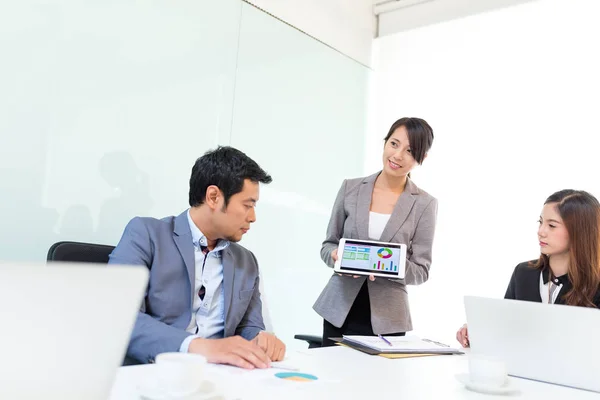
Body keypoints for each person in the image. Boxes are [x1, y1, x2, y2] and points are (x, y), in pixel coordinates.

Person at [109, 146, 286, 368]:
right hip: (153, 373)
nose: (253, 217)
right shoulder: (146, 234)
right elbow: (118, 316)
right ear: (213, 197)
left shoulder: (246, 261)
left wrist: (261, 338)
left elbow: (248, 328)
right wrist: (198, 346)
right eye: (247, 205)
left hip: (221, 377)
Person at [313, 117, 438, 346]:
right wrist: (334, 256)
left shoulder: (425, 204)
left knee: (378, 382)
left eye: (410, 150)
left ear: (422, 158)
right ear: (385, 143)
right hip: (339, 308)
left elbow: (421, 270)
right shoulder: (350, 188)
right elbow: (328, 244)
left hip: (388, 319)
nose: (398, 155)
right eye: (394, 143)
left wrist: (389, 264)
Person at [457, 189, 600, 348]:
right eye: (540, 222)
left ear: (579, 232)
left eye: (552, 225)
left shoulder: (596, 284)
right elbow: (507, 327)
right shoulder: (524, 273)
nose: (541, 232)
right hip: (521, 371)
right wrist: (477, 332)